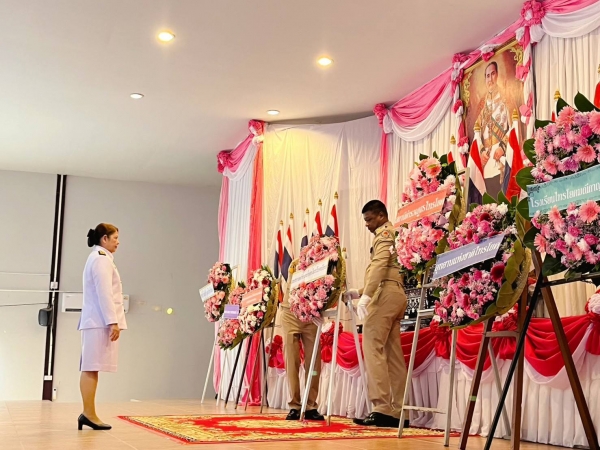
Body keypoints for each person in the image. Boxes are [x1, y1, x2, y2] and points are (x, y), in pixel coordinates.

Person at [345, 200, 407, 428]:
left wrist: (368, 296)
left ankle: (381, 408)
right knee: (393, 355)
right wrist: (359, 292)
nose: (367, 225)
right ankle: (399, 411)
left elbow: (380, 266)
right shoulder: (389, 234)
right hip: (395, 294)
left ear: (381, 216)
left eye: (370, 219)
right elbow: (386, 270)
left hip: (385, 295)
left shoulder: (385, 235)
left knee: (372, 348)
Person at [77, 223, 127, 430]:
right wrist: (112, 322)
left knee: (92, 367)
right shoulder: (100, 259)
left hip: (96, 321)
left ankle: (89, 413)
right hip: (97, 322)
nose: (118, 242)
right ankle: (88, 414)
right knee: (90, 367)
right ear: (104, 239)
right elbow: (104, 293)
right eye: (115, 238)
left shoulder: (100, 258)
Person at [280, 261, 324, 421]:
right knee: (292, 361)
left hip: (311, 315)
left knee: (313, 364)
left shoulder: (325, 263)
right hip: (290, 312)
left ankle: (310, 405)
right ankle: (295, 405)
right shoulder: (297, 263)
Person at [475, 61, 512, 200]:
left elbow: (513, 126)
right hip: (487, 160)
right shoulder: (482, 104)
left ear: (497, 75)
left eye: (492, 74)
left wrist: (503, 147)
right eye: (487, 76)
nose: (490, 79)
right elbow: (477, 131)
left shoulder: (506, 97)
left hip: (501, 157)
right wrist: (481, 151)